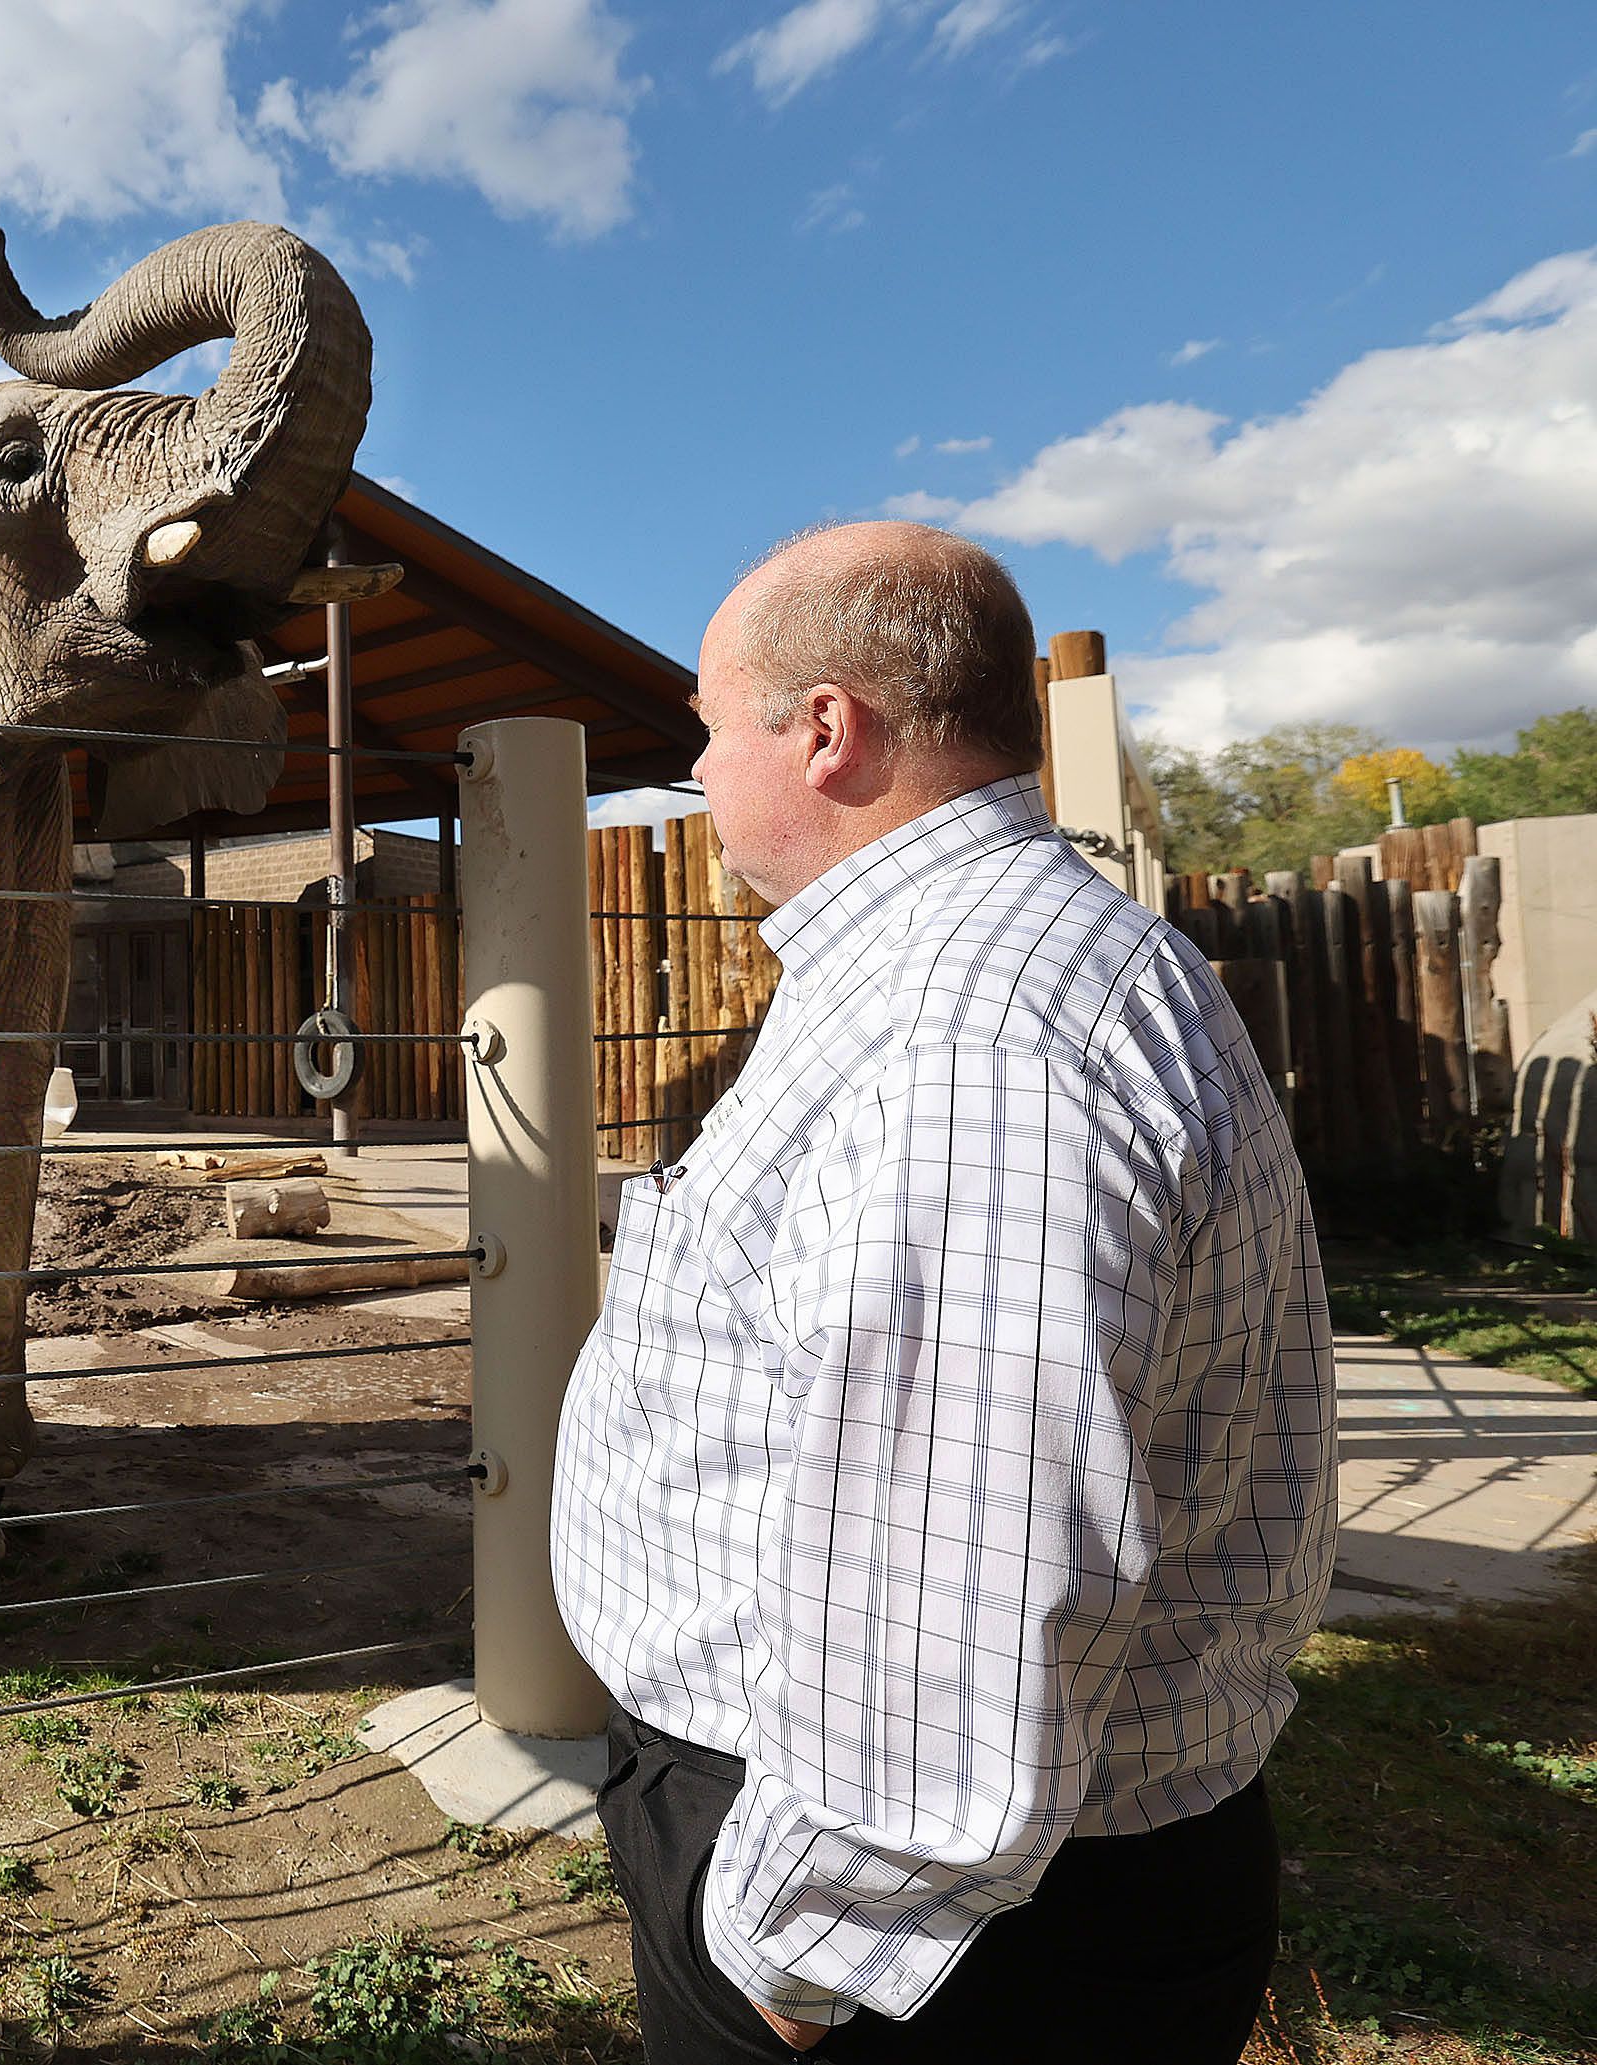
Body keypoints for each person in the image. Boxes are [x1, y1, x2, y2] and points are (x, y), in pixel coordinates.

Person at [550, 521, 1337, 2063]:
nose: (697, 775)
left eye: (711, 731)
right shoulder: (1023, 966)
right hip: (1014, 1892)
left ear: (828, 729)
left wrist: (779, 1960)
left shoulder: (969, 1034)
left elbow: (972, 1564)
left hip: (934, 1949)